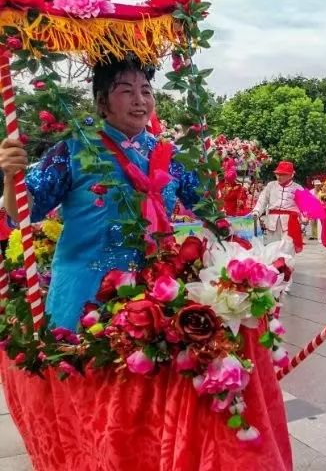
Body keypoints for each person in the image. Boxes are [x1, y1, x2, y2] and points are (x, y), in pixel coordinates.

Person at [0, 54, 292, 470]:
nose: (140, 100)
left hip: (152, 297)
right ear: (102, 102)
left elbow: (211, 211)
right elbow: (22, 213)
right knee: (91, 405)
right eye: (126, 91)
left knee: (140, 410)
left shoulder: (167, 154)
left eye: (146, 90)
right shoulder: (74, 149)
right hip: (84, 299)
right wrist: (10, 177)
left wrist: (256, 262)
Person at [251, 160, 304, 253]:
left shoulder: (298, 188)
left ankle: (287, 261)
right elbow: (263, 200)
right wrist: (257, 211)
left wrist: (304, 217)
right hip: (272, 221)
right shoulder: (271, 185)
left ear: (291, 175)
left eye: (283, 174)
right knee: (272, 247)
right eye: (277, 174)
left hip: (290, 222)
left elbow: (304, 206)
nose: (279, 177)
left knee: (287, 247)